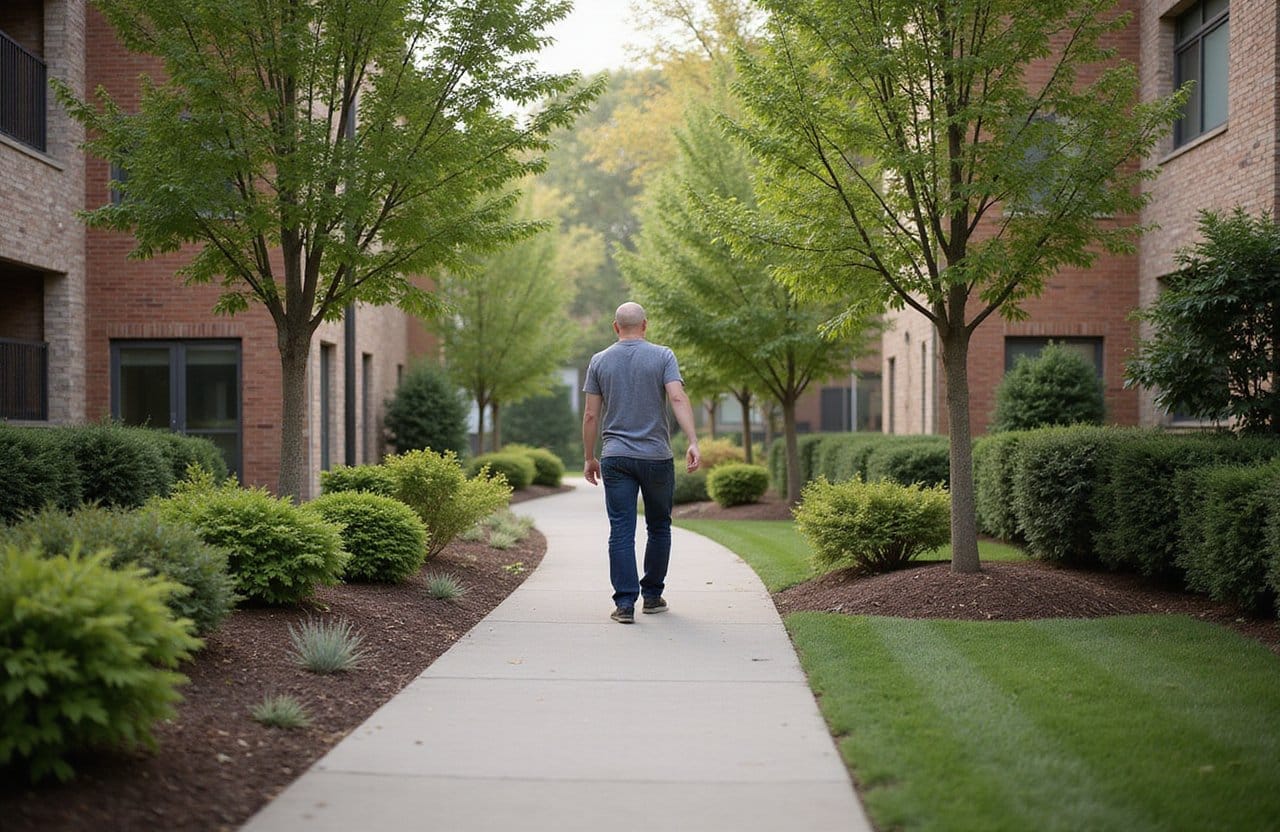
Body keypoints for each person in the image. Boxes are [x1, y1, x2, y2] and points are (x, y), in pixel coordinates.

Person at [582, 301, 701, 624]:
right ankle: (651, 596)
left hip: (616, 456)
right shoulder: (663, 355)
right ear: (645, 325)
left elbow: (591, 414)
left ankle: (624, 604)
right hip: (656, 456)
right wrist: (692, 441)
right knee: (659, 526)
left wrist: (589, 457)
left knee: (621, 529)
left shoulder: (599, 361)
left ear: (615, 326)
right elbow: (677, 397)